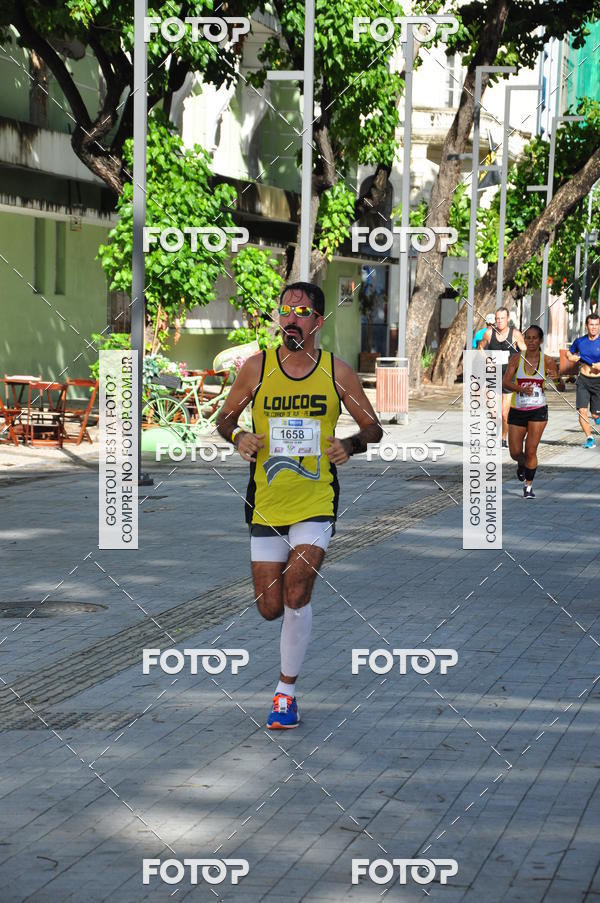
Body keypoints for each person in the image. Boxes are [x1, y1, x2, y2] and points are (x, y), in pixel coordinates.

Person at [216, 282, 383, 729]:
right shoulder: (257, 368)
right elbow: (225, 419)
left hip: (316, 498)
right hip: (267, 500)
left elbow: (373, 428)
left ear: (317, 322)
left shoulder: (336, 373)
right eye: (285, 310)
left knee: (297, 590)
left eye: (301, 311)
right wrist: (238, 437)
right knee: (270, 606)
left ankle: (284, 694)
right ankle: (287, 659)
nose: (291, 318)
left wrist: (350, 443)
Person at [503, 325, 558, 499]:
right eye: (528, 338)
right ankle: (521, 463)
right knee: (515, 451)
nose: (531, 341)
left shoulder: (547, 360)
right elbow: (505, 382)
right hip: (518, 409)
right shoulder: (516, 359)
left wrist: (556, 378)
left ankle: (528, 486)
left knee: (531, 450)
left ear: (540, 340)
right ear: (524, 340)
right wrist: (520, 388)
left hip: (538, 410)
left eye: (535, 338)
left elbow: (560, 384)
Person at [478, 307, 526, 447]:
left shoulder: (515, 334)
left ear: (508, 319)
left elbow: (525, 351)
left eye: (502, 319)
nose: (499, 321)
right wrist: (487, 360)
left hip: (509, 378)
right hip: (492, 376)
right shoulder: (488, 333)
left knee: (505, 413)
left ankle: (503, 438)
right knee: (492, 411)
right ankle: (497, 429)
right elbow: (480, 348)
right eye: (497, 319)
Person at [565, 312, 600, 448]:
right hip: (583, 380)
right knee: (582, 410)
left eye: (596, 325)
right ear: (586, 326)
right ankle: (589, 438)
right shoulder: (580, 342)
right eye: (591, 325)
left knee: (595, 415)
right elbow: (569, 352)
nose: (594, 328)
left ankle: (597, 417)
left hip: (598, 382)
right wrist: (570, 357)